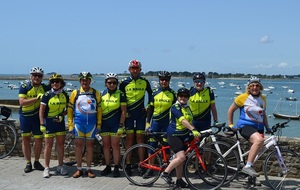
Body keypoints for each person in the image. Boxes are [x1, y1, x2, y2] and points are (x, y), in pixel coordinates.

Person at [227, 76, 271, 179]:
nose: (255, 88)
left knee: (254, 153)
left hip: (259, 127)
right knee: (259, 140)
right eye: (252, 86)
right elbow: (230, 110)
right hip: (245, 126)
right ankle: (247, 167)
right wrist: (230, 124)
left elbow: (263, 114)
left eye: (257, 85)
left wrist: (267, 127)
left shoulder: (263, 99)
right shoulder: (242, 97)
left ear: (260, 87)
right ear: (249, 87)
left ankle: (251, 178)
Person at [161, 87, 201, 188]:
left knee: (181, 159)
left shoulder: (187, 108)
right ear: (178, 97)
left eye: (185, 96)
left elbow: (191, 121)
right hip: (174, 135)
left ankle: (179, 180)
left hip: (183, 135)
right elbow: (182, 120)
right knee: (182, 157)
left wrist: (197, 130)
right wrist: (193, 129)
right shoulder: (175, 107)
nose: (183, 98)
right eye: (181, 96)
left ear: (188, 98)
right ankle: (165, 173)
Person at [119, 59, 153, 175]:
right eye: (132, 68)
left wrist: (148, 106)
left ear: (140, 69)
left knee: (140, 139)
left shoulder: (144, 82)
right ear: (129, 69)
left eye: (137, 68)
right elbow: (120, 98)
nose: (134, 70)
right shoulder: (123, 82)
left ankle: (141, 164)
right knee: (129, 139)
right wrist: (123, 112)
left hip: (140, 115)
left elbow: (151, 96)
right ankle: (128, 164)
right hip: (129, 115)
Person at [67, 71, 102, 178]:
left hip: (91, 124)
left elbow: (99, 109)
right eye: (82, 80)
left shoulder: (95, 93)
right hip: (79, 124)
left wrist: (99, 124)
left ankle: (88, 169)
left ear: (90, 81)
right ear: (80, 81)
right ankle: (78, 169)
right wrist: (70, 124)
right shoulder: (75, 92)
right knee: (78, 146)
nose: (85, 82)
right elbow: (69, 109)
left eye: (87, 80)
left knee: (90, 146)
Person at [144, 71, 176, 178]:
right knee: (152, 145)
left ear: (169, 81)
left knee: (167, 146)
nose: (164, 82)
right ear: (159, 81)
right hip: (155, 123)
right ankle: (150, 168)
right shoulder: (154, 93)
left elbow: (176, 111)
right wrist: (148, 123)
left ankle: (167, 169)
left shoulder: (173, 94)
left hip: (167, 123)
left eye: (166, 80)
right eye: (162, 80)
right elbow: (150, 109)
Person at [18, 67, 50, 173]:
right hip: (25, 117)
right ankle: (28, 162)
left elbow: (57, 87)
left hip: (37, 118)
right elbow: (22, 102)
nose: (37, 77)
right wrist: (37, 99)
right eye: (35, 75)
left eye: (39, 76)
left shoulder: (44, 87)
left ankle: (36, 161)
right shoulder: (24, 86)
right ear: (31, 76)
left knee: (38, 140)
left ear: (42, 77)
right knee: (26, 140)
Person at [39, 73, 69, 178]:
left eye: (57, 82)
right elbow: (41, 111)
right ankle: (46, 168)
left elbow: (68, 109)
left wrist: (62, 115)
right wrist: (42, 123)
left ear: (61, 83)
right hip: (49, 123)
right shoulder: (47, 95)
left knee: (60, 145)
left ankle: (60, 166)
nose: (55, 83)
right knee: (48, 146)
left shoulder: (65, 94)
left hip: (59, 123)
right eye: (53, 82)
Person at [100, 72, 127, 177]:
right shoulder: (102, 93)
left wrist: (121, 125)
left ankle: (116, 167)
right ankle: (108, 166)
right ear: (106, 83)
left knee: (115, 146)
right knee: (106, 146)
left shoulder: (120, 94)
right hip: (104, 124)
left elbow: (124, 111)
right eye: (109, 82)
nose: (112, 84)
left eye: (114, 83)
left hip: (116, 124)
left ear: (117, 83)